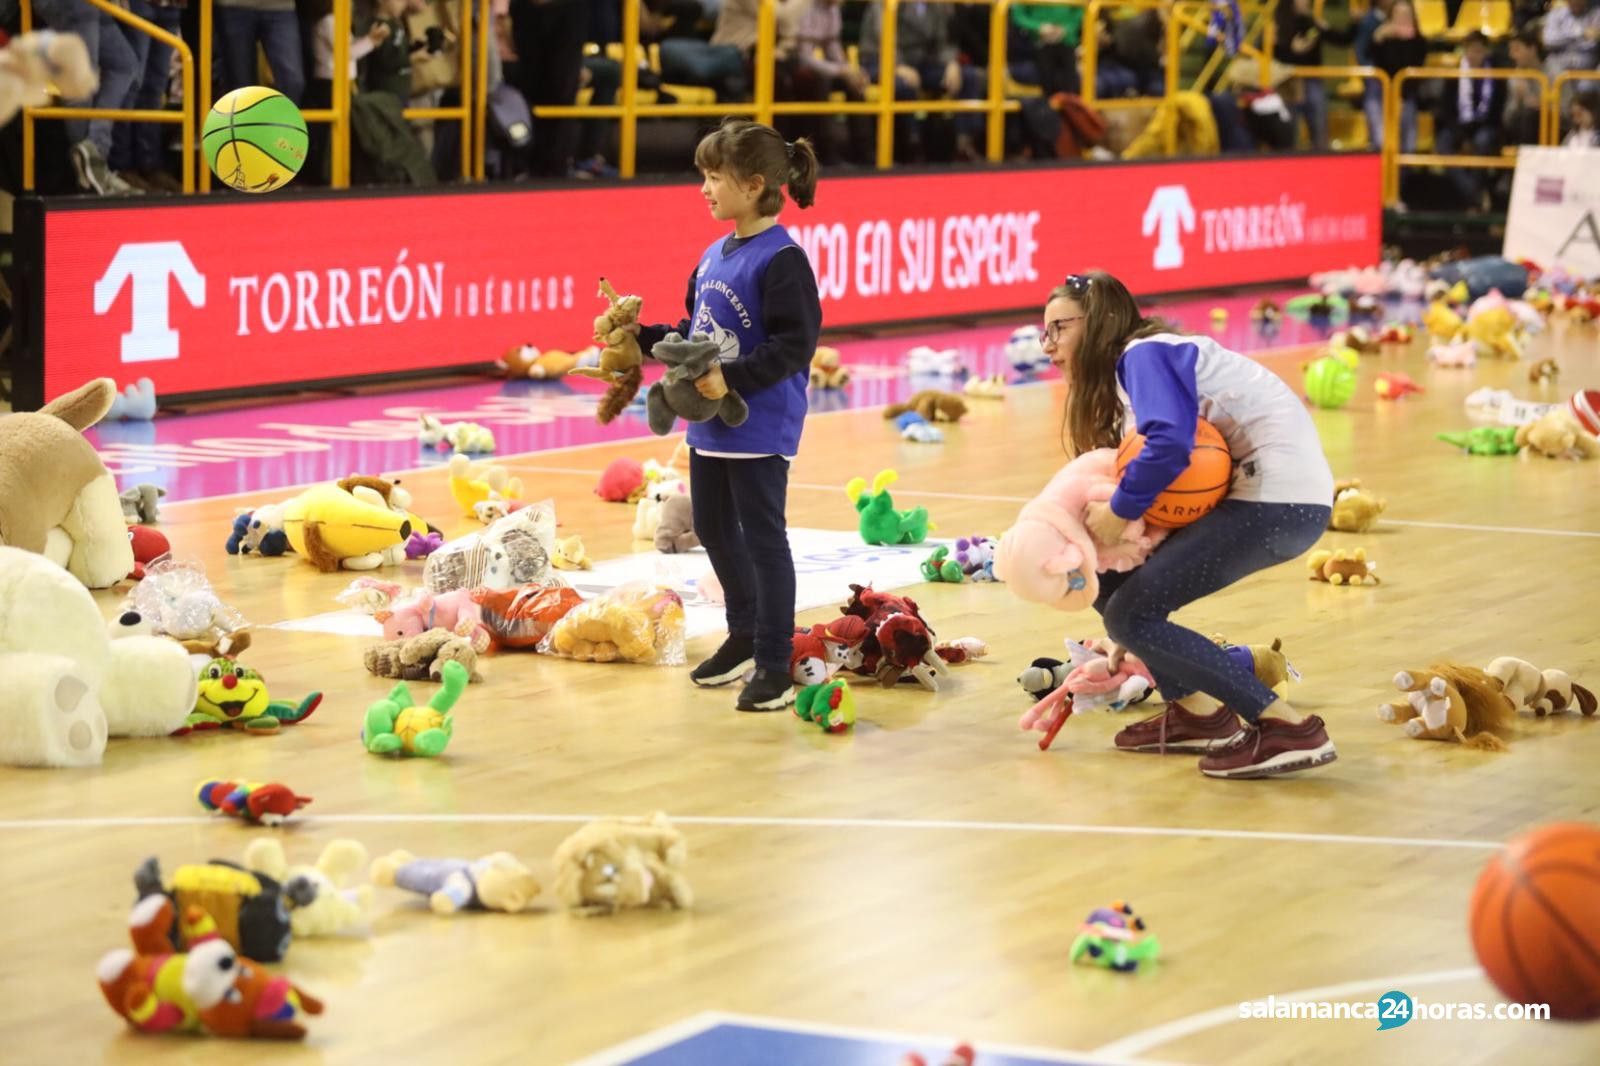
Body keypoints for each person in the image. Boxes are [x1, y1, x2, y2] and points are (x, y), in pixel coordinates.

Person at [1039, 271, 1337, 779]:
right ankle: (1199, 713)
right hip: (1272, 497)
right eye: (1042, 333)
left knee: (1133, 613)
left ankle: (1285, 726)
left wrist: (1123, 509)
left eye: (1058, 329)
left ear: (1097, 323)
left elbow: (1171, 446)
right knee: (1111, 581)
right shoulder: (1143, 362)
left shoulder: (1144, 354)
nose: (1048, 346)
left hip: (1276, 501)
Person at [632, 119, 822, 712]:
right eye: (704, 177)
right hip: (709, 425)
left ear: (755, 183)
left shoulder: (784, 258)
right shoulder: (713, 254)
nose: (705, 189)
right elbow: (695, 335)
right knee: (712, 528)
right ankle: (742, 633)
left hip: (759, 425)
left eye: (715, 178)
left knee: (764, 539)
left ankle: (773, 659)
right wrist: (639, 336)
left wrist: (730, 377)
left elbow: (795, 345)